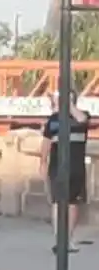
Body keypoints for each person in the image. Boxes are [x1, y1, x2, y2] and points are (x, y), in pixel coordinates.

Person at [40, 90, 91, 253]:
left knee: (73, 203)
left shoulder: (82, 116)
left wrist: (69, 105)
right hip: (57, 166)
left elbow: (82, 120)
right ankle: (59, 239)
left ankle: (68, 237)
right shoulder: (53, 120)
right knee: (57, 201)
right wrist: (42, 162)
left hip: (76, 166)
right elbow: (46, 142)